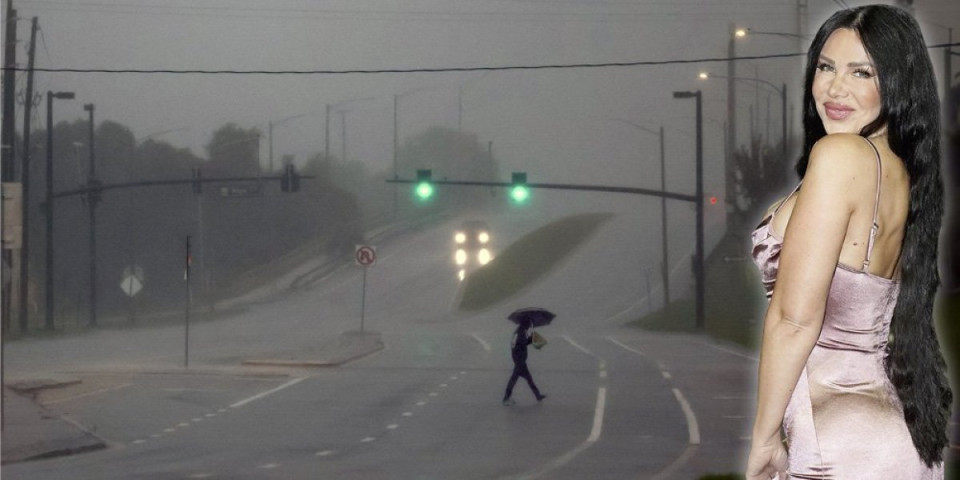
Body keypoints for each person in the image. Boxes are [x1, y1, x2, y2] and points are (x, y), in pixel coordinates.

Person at [746, 5, 952, 479]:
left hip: (838, 436)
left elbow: (795, 318)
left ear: (898, 83)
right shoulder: (898, 169)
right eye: (825, 66)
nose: (834, 89)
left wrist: (764, 437)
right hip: (880, 428)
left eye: (862, 72)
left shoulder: (841, 156)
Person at [502, 319, 546, 405]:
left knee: (528, 378)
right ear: (526, 324)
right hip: (520, 360)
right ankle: (506, 398)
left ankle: (537, 395)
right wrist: (531, 338)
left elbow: (519, 343)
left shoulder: (519, 331)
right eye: (529, 325)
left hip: (519, 359)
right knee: (514, 379)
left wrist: (531, 338)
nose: (530, 326)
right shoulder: (521, 332)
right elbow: (522, 343)